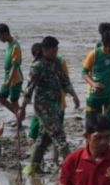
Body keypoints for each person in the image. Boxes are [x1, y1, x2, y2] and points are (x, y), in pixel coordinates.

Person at [19, 35, 79, 175]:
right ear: (46, 50)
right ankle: (73, 170)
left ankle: (33, 168)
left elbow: (65, 80)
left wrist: (74, 95)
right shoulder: (37, 66)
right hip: (43, 107)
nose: (56, 53)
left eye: (57, 50)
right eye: (54, 50)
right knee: (59, 135)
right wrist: (22, 109)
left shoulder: (56, 62)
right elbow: (29, 89)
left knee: (44, 137)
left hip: (56, 104)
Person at [82, 30, 110, 150]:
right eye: (106, 47)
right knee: (92, 125)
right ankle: (91, 150)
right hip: (94, 95)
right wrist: (93, 84)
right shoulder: (94, 54)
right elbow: (84, 72)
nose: (108, 50)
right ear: (102, 43)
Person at [0, 23, 24, 118]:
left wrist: (9, 81)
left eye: (0, 36)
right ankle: (18, 115)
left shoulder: (15, 46)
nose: (0, 39)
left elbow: (14, 66)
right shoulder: (9, 45)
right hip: (7, 77)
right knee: (1, 98)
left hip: (14, 79)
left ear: (5, 33)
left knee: (14, 101)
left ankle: (19, 119)